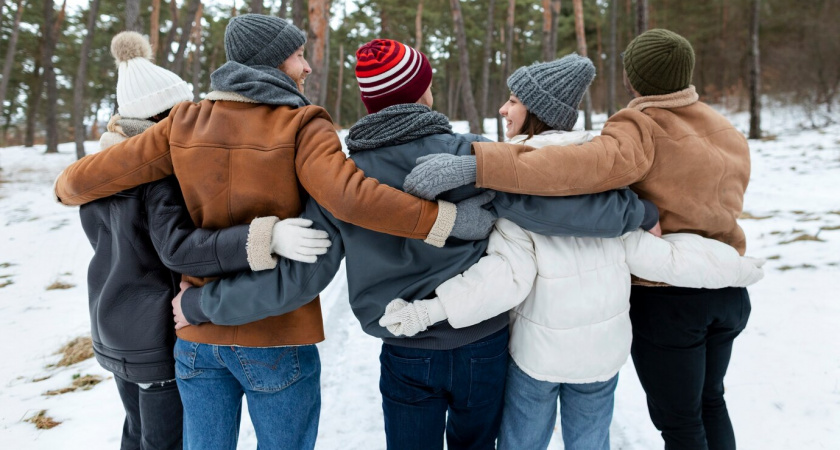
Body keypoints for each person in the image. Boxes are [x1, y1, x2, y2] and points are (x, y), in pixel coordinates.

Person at [174, 39, 659, 450]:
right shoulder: (471, 156)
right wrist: (639, 213)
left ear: (368, 102)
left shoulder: (341, 176)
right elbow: (552, 209)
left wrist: (204, 302)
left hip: (404, 348)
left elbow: (304, 276)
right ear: (424, 91)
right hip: (481, 342)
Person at [54, 16, 496, 450]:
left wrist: (64, 186)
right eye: (299, 56)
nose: (306, 68)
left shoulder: (183, 122)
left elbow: (76, 183)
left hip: (196, 341)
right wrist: (442, 221)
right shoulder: (302, 124)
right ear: (271, 63)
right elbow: (350, 197)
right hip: (275, 336)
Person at [380, 54, 765, 450]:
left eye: (513, 100)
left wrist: (429, 310)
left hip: (538, 359)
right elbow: (661, 258)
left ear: (537, 111)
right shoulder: (614, 189)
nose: (503, 109)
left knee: (523, 443)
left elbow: (504, 279)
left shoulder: (515, 188)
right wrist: (737, 269)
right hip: (601, 358)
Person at [75, 31, 326, 450]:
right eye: (184, 109)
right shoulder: (157, 176)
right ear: (165, 117)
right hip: (165, 330)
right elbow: (177, 250)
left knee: (137, 434)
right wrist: (265, 235)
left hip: (115, 328)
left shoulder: (102, 174)